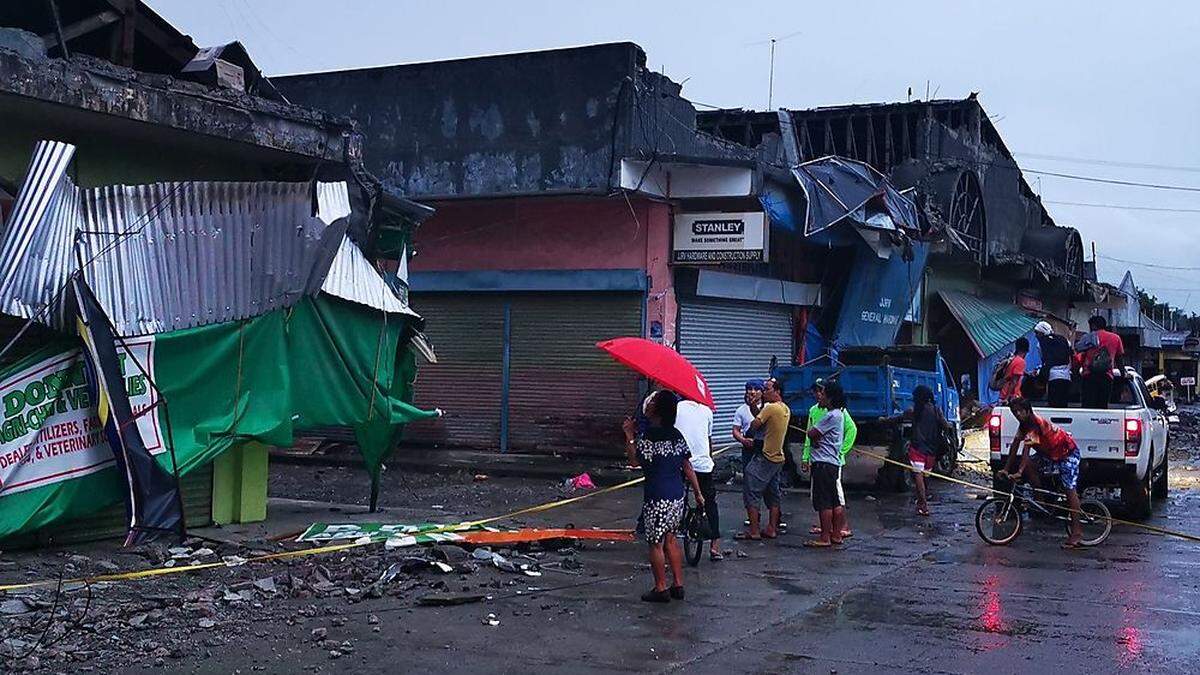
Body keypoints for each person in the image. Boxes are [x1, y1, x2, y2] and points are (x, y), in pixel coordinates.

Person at [622, 390, 705, 602]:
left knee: (655, 542)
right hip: (677, 495)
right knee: (671, 541)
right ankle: (678, 584)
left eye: (652, 403)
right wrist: (697, 492)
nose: (647, 405)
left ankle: (660, 588)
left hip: (657, 496)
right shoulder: (676, 435)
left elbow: (634, 462)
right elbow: (687, 466)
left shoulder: (649, 437)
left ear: (657, 410)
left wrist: (630, 435)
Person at [999, 397, 1084, 548]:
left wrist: (1019, 471)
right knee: (1031, 465)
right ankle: (1040, 499)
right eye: (1014, 412)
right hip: (1050, 455)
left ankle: (1076, 533)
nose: (1016, 414)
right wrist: (1006, 468)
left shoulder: (1034, 424)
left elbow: (1026, 450)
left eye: (1019, 411)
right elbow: (1014, 446)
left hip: (1067, 454)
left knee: (1069, 490)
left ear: (1027, 411)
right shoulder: (1024, 425)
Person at [801, 379, 857, 539]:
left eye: (823, 393)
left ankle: (827, 536)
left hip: (826, 463)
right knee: (834, 500)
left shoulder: (833, 415)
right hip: (828, 461)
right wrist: (806, 455)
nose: (820, 396)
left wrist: (841, 451)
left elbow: (811, 433)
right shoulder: (819, 411)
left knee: (825, 501)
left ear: (830, 397)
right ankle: (835, 534)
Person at [739, 378, 790, 540]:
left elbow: (755, 425)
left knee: (751, 491)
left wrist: (749, 434)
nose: (764, 392)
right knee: (773, 493)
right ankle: (771, 528)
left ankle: (754, 530)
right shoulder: (783, 408)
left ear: (777, 391)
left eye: (767, 389)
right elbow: (761, 417)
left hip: (765, 456)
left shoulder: (771, 408)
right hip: (777, 456)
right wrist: (753, 406)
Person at [676, 396, 722, 561]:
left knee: (675, 497)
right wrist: (709, 459)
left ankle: (672, 536)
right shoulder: (707, 410)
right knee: (709, 501)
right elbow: (708, 440)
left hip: (681, 463)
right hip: (703, 465)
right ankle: (715, 545)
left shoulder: (676, 408)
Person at [898, 384, 951, 517]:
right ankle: (922, 502)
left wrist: (882, 420)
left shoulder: (914, 410)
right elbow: (946, 425)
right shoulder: (936, 410)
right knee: (925, 476)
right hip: (932, 449)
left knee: (918, 476)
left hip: (917, 448)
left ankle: (923, 503)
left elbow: (898, 419)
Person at [1075, 315, 1125, 409]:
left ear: (1093, 326)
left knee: (1088, 406)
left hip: (1089, 375)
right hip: (1107, 376)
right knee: (1102, 405)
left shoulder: (1088, 337)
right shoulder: (1116, 338)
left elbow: (1079, 354)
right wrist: (1123, 375)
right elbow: (1119, 359)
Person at [1034, 321, 1073, 408]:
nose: (1036, 335)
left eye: (1037, 333)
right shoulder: (1064, 340)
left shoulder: (1040, 344)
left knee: (1053, 405)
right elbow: (1071, 356)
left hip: (1053, 377)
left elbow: (1044, 360)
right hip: (1066, 376)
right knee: (1063, 404)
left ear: (1042, 333)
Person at [732, 380, 766, 473]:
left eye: (757, 389)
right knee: (748, 473)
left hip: (765, 446)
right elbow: (735, 430)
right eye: (750, 389)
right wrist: (743, 440)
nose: (753, 392)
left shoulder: (768, 407)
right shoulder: (741, 410)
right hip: (749, 447)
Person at [1000, 337, 1029, 403]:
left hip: (1003, 392)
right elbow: (1014, 381)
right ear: (1026, 350)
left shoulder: (1012, 359)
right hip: (1012, 396)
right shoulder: (1021, 362)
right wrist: (1007, 398)